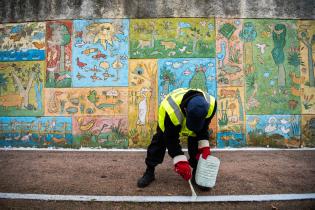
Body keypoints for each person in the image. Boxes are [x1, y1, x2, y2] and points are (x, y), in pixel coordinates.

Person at [137, 88, 217, 191]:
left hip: (193, 117)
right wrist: (179, 160)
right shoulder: (171, 110)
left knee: (197, 141)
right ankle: (149, 171)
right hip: (168, 122)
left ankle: (197, 173)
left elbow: (203, 129)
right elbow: (171, 139)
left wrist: (204, 147)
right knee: (159, 141)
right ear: (185, 110)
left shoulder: (211, 105)